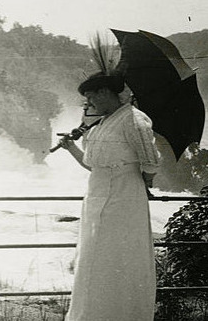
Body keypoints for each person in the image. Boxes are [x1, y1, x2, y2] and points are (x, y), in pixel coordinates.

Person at [61, 72, 161, 321]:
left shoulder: (134, 120)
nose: (89, 104)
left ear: (105, 92)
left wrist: (143, 182)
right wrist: (71, 147)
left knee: (117, 259)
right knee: (94, 261)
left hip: (123, 199)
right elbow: (94, 165)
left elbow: (151, 162)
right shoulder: (103, 122)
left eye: (91, 97)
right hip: (97, 198)